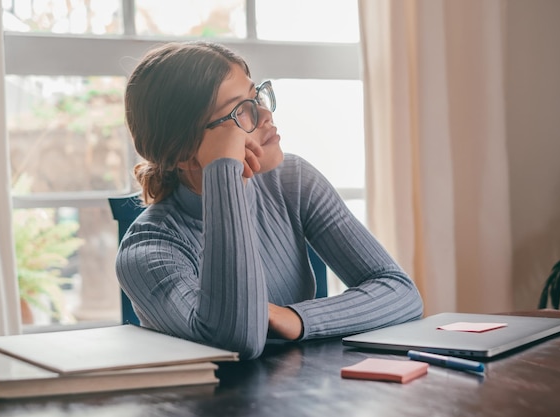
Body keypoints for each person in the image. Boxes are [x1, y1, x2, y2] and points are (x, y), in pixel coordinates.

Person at [116, 41, 423, 360]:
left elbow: (401, 292)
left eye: (256, 96)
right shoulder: (146, 250)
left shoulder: (292, 181)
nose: (266, 114)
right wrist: (223, 174)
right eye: (240, 112)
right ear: (183, 154)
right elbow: (237, 341)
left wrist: (294, 318)